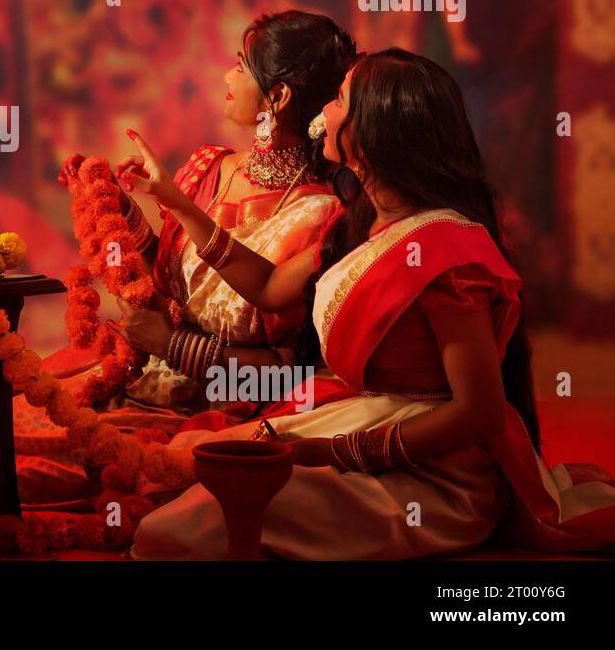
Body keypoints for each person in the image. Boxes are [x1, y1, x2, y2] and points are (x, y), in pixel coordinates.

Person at [120, 49, 615, 558]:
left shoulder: (446, 250)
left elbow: (480, 413)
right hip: (356, 419)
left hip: (430, 474)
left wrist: (332, 452)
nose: (323, 115)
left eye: (340, 100)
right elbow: (267, 289)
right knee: (180, 469)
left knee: (185, 526)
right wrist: (174, 202)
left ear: (377, 128)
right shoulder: (362, 220)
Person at [9, 11, 355, 508]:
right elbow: (169, 284)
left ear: (277, 98)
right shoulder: (209, 165)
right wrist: (121, 212)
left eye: (242, 66)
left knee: (29, 469)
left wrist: (174, 347)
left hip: (208, 413)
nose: (226, 76)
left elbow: (288, 369)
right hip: (131, 374)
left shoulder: (320, 217)